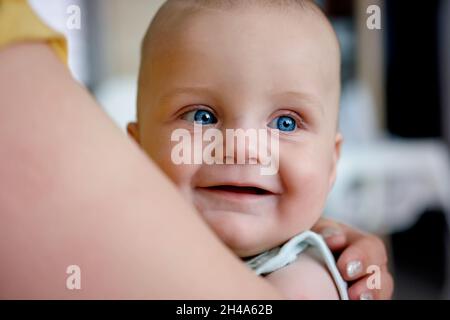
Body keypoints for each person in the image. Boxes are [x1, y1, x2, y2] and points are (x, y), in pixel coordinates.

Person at [0, 0, 393, 299]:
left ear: (331, 164)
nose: (242, 148)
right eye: (201, 117)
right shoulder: (114, 245)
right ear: (134, 152)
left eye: (285, 123)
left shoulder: (304, 277)